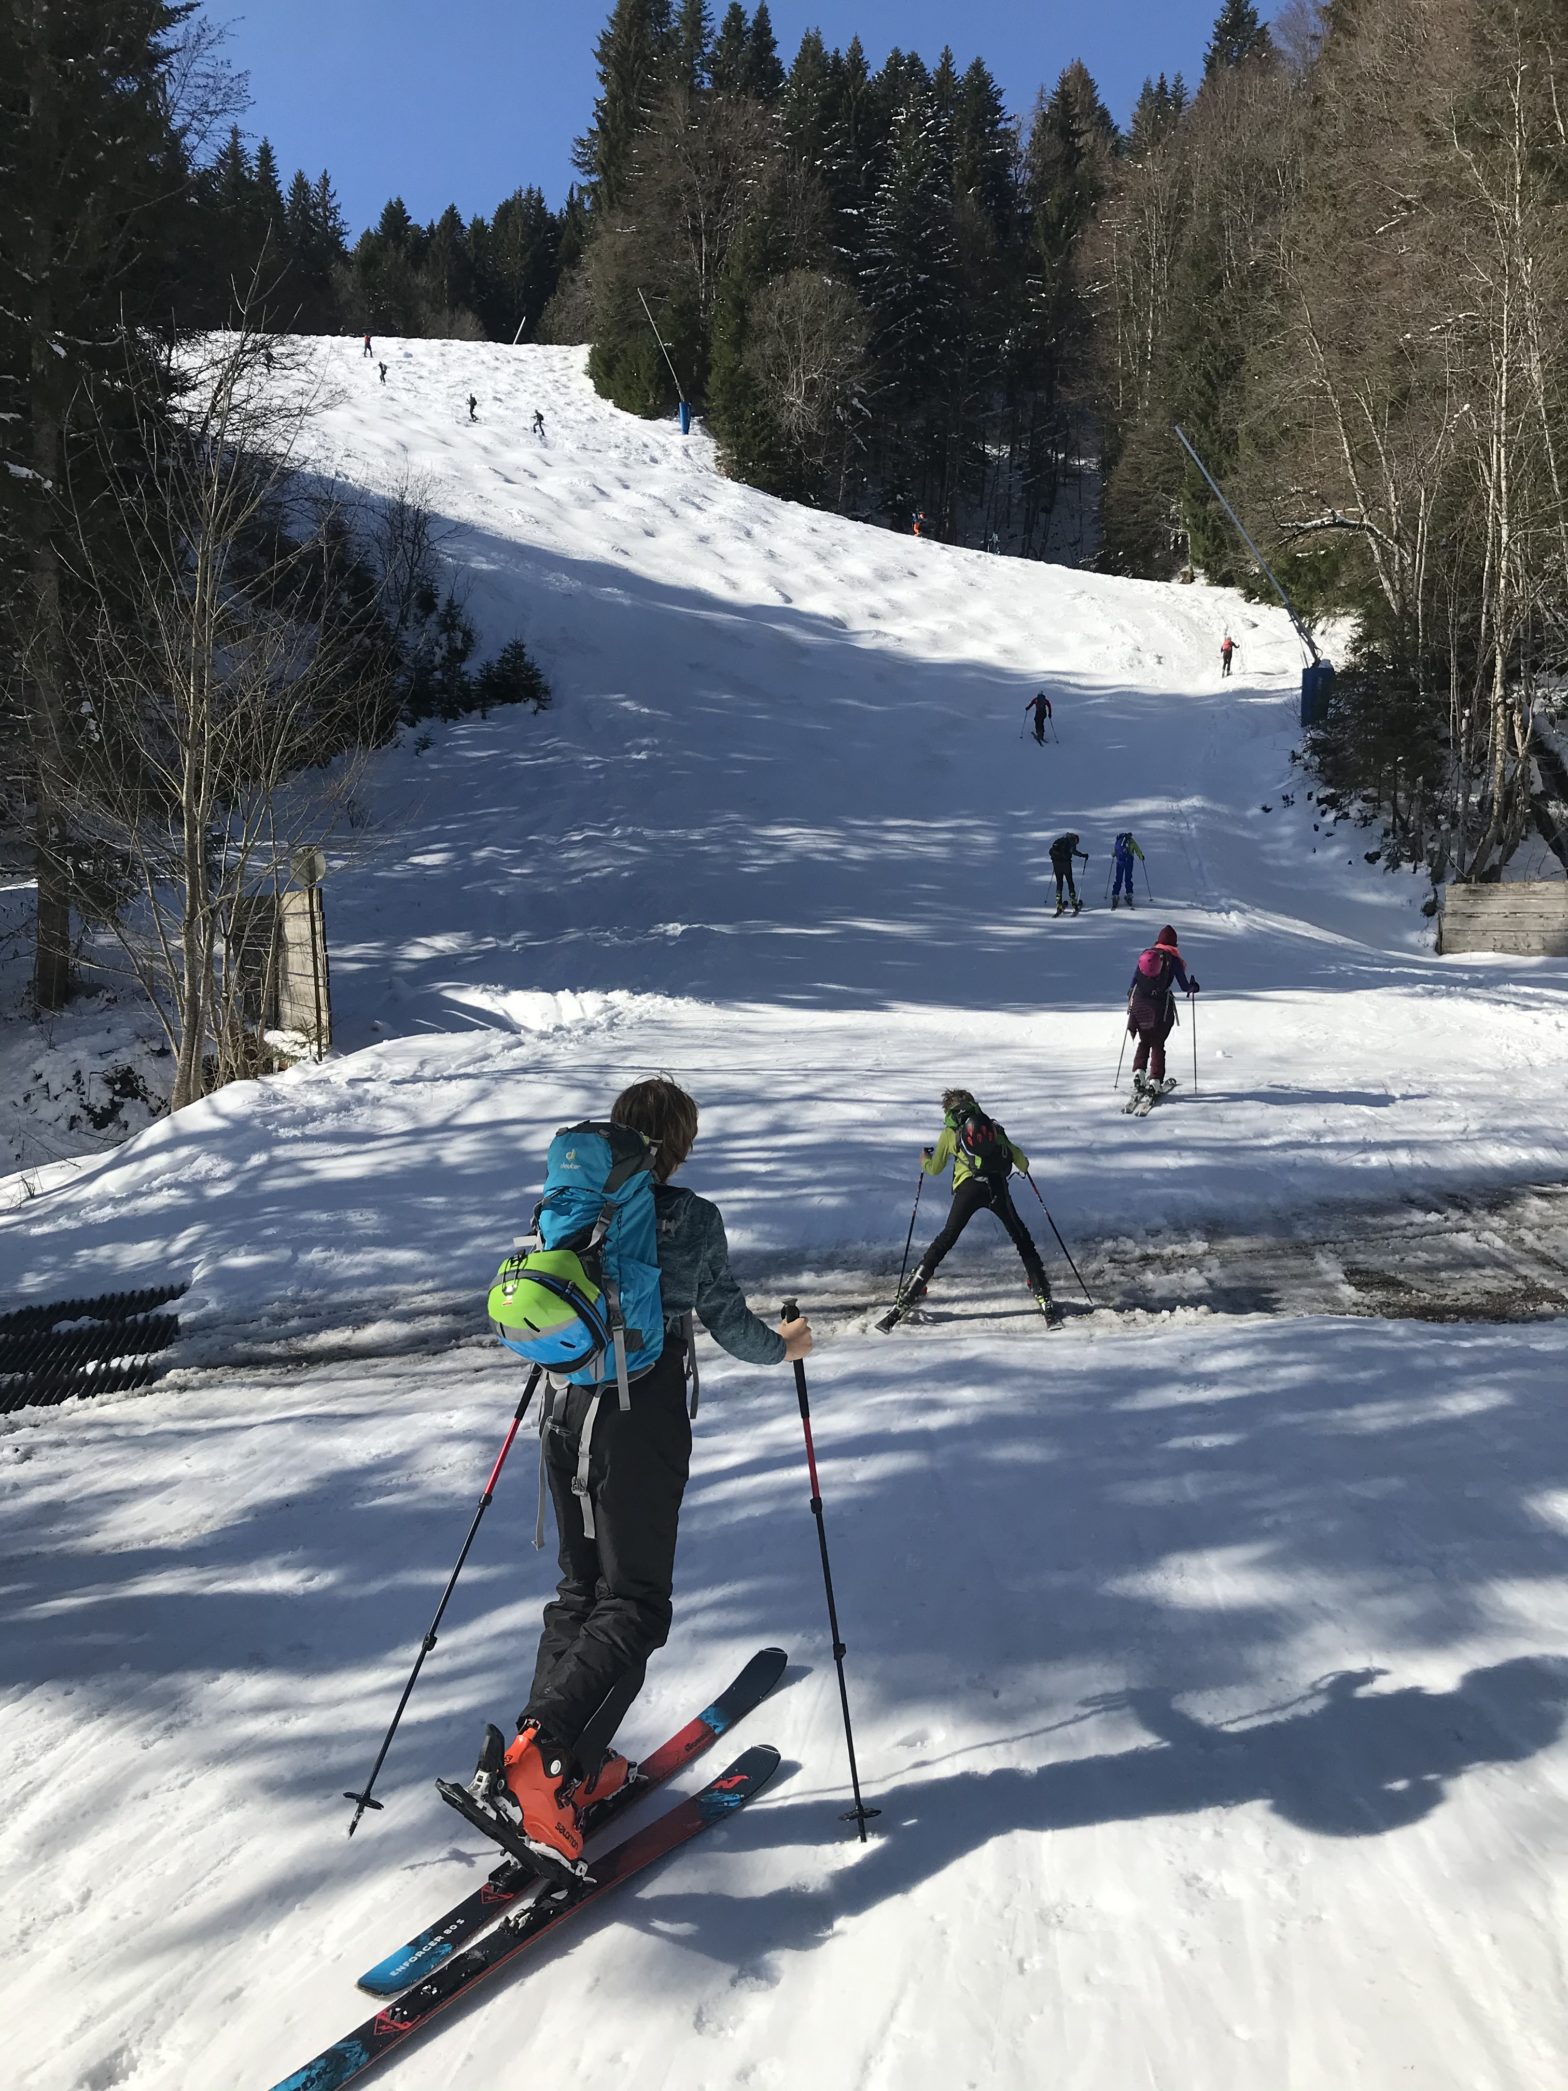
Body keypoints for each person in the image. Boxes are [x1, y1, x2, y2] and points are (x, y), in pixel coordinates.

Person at [449, 1077, 812, 1873]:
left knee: (581, 1594)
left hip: (563, 1412)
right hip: (634, 1425)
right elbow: (729, 1324)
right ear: (678, 1142)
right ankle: (545, 1764)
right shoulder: (688, 1218)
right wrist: (788, 1344)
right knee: (636, 1604)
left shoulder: (581, 1212)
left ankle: (546, 1766)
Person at [889, 1089, 1060, 1326]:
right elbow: (1021, 1161)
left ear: (949, 1110)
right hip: (997, 1188)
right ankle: (1041, 1290)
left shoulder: (950, 1133)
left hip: (967, 1191)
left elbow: (935, 1168)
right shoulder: (992, 1127)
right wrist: (1020, 1164)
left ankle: (912, 1290)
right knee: (1021, 1238)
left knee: (945, 1239)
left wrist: (924, 1161)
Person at [1126, 924, 1200, 1097]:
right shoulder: (1173, 960)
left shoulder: (1146, 956)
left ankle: (1139, 1072)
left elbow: (1133, 981)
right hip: (1160, 1008)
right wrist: (1194, 987)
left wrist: (1131, 998)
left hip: (1139, 1005)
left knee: (1144, 1041)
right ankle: (1155, 1081)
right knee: (1158, 1043)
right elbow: (1185, 986)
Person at [1048, 832, 1089, 916]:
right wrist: (1083, 855)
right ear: (1075, 839)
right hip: (1066, 864)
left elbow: (1050, 851)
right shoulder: (1070, 841)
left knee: (1059, 883)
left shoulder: (1060, 841)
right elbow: (1073, 851)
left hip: (1056, 864)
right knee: (1070, 881)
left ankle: (1058, 903)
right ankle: (1073, 901)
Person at [1111, 831, 1145, 909]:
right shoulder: (1131, 841)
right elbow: (1137, 850)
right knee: (1128, 878)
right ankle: (1129, 894)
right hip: (1129, 862)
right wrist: (1141, 856)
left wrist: (1113, 855)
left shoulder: (1119, 841)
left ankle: (1115, 895)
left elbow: (1115, 851)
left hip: (1120, 862)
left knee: (1118, 878)